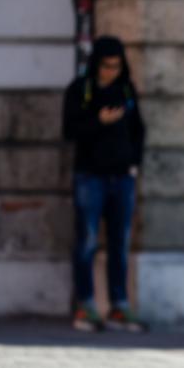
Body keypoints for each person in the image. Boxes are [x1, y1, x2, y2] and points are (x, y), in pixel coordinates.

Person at [62, 36, 146, 332]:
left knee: (120, 244)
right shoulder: (80, 90)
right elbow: (69, 130)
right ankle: (86, 305)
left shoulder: (125, 90)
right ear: (97, 64)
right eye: (106, 66)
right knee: (87, 241)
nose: (111, 71)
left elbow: (138, 130)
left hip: (122, 178)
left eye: (116, 66)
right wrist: (99, 121)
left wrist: (133, 165)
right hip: (90, 177)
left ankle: (118, 306)